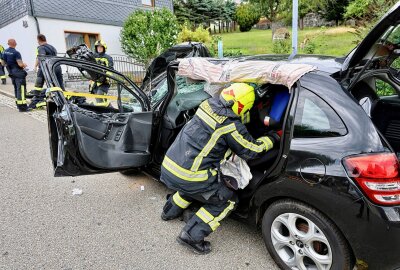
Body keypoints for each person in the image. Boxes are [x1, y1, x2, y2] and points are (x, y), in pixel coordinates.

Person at [160, 83, 280, 254]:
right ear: (242, 106)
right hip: (190, 176)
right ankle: (191, 235)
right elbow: (251, 151)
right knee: (227, 199)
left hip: (170, 167)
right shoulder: (230, 125)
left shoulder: (207, 105)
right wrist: (273, 138)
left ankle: (168, 212)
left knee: (192, 185)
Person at [29, 34, 64, 109]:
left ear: (38, 40)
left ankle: (35, 101)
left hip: (46, 67)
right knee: (59, 86)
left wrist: (35, 66)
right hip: (57, 67)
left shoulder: (40, 48)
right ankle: (62, 102)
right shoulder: (52, 47)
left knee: (39, 84)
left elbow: (41, 58)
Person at [1, 39, 28, 112]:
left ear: (8, 43)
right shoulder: (16, 53)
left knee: (16, 89)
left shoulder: (4, 52)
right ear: (15, 43)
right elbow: (20, 64)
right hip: (18, 73)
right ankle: (22, 107)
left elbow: (3, 63)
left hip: (11, 73)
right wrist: (24, 64)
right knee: (21, 89)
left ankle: (18, 104)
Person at [91, 40, 113, 106]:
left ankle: (104, 113)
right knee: (100, 98)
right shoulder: (93, 56)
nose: (99, 48)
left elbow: (110, 69)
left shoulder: (108, 58)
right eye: (98, 47)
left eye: (101, 47)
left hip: (104, 82)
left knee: (99, 96)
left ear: (104, 48)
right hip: (95, 81)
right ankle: (110, 108)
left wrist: (106, 78)